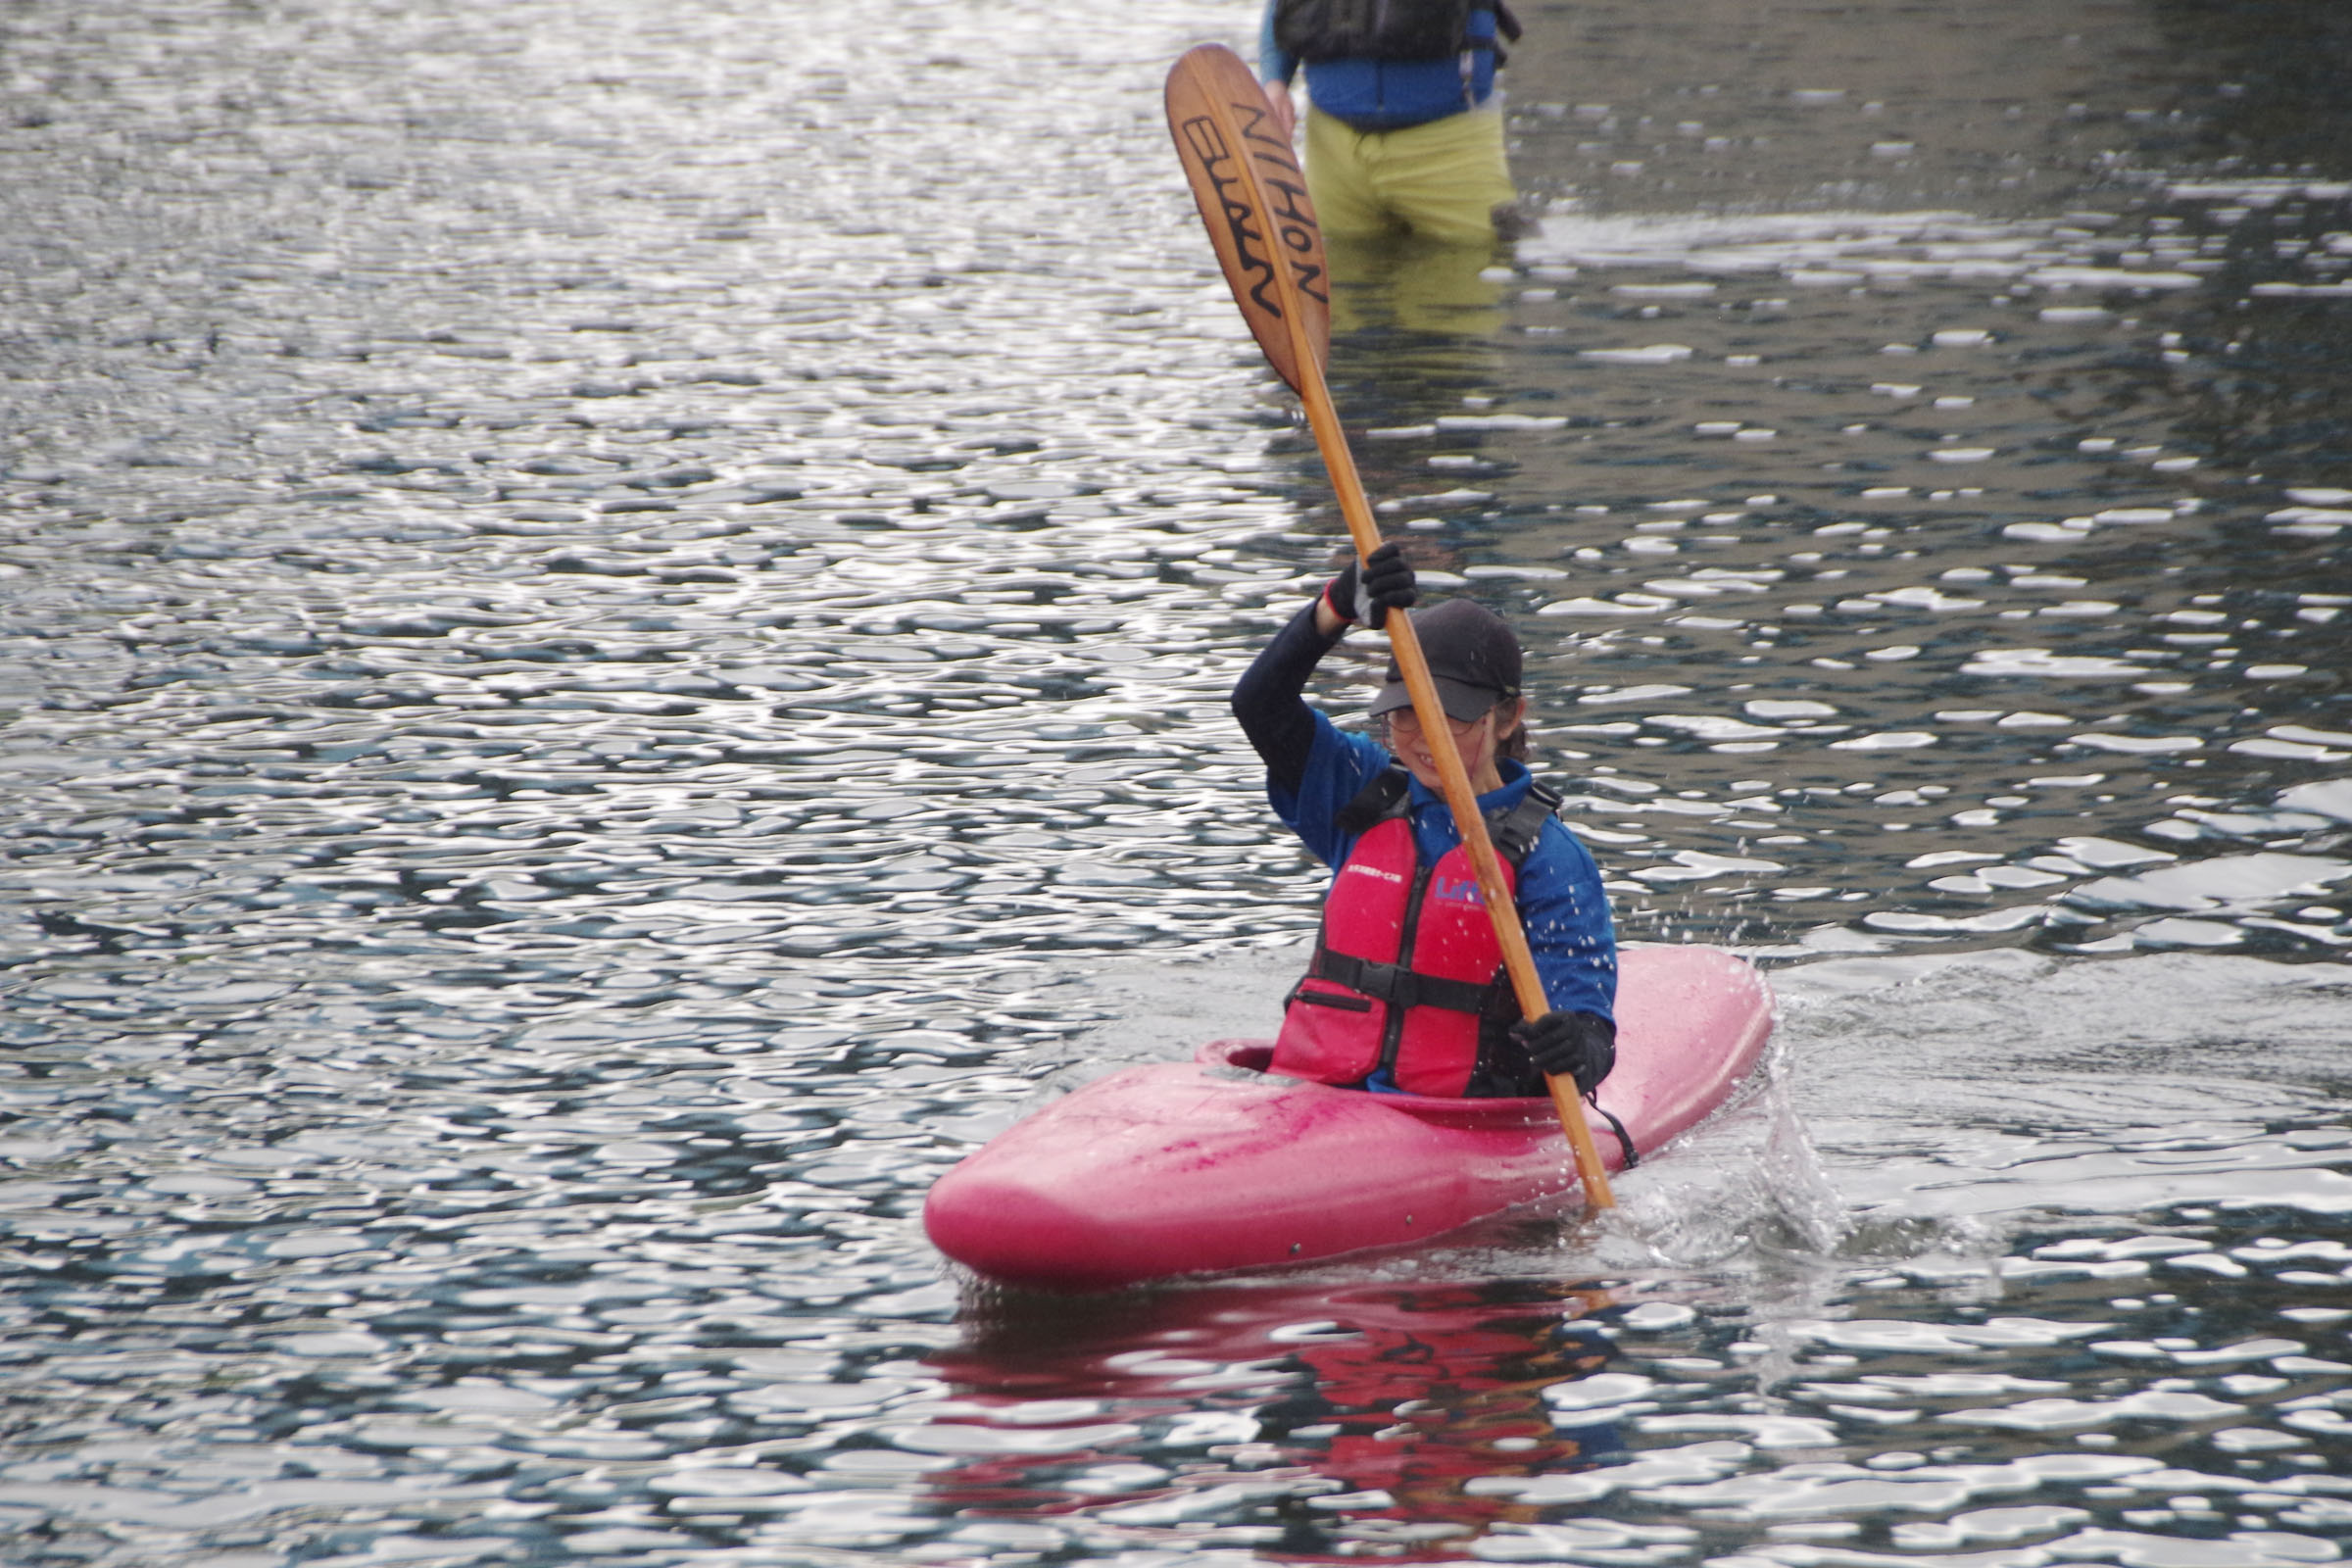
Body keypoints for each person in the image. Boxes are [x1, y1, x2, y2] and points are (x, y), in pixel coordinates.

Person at [1231, 541, 1616, 1100]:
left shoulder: (1548, 857)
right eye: (1406, 716)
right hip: (1313, 1098)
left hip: (1448, 1118)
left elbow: (1589, 1020)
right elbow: (1259, 706)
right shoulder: (1363, 792)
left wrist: (1576, 1044)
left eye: (1451, 718)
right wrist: (1333, 610)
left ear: (1509, 717)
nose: (1425, 739)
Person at [1257, 0, 1526, 246]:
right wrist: (1275, 80)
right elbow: (1283, 8)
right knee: (1337, 282)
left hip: (1451, 145)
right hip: (1333, 152)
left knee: (1475, 268)